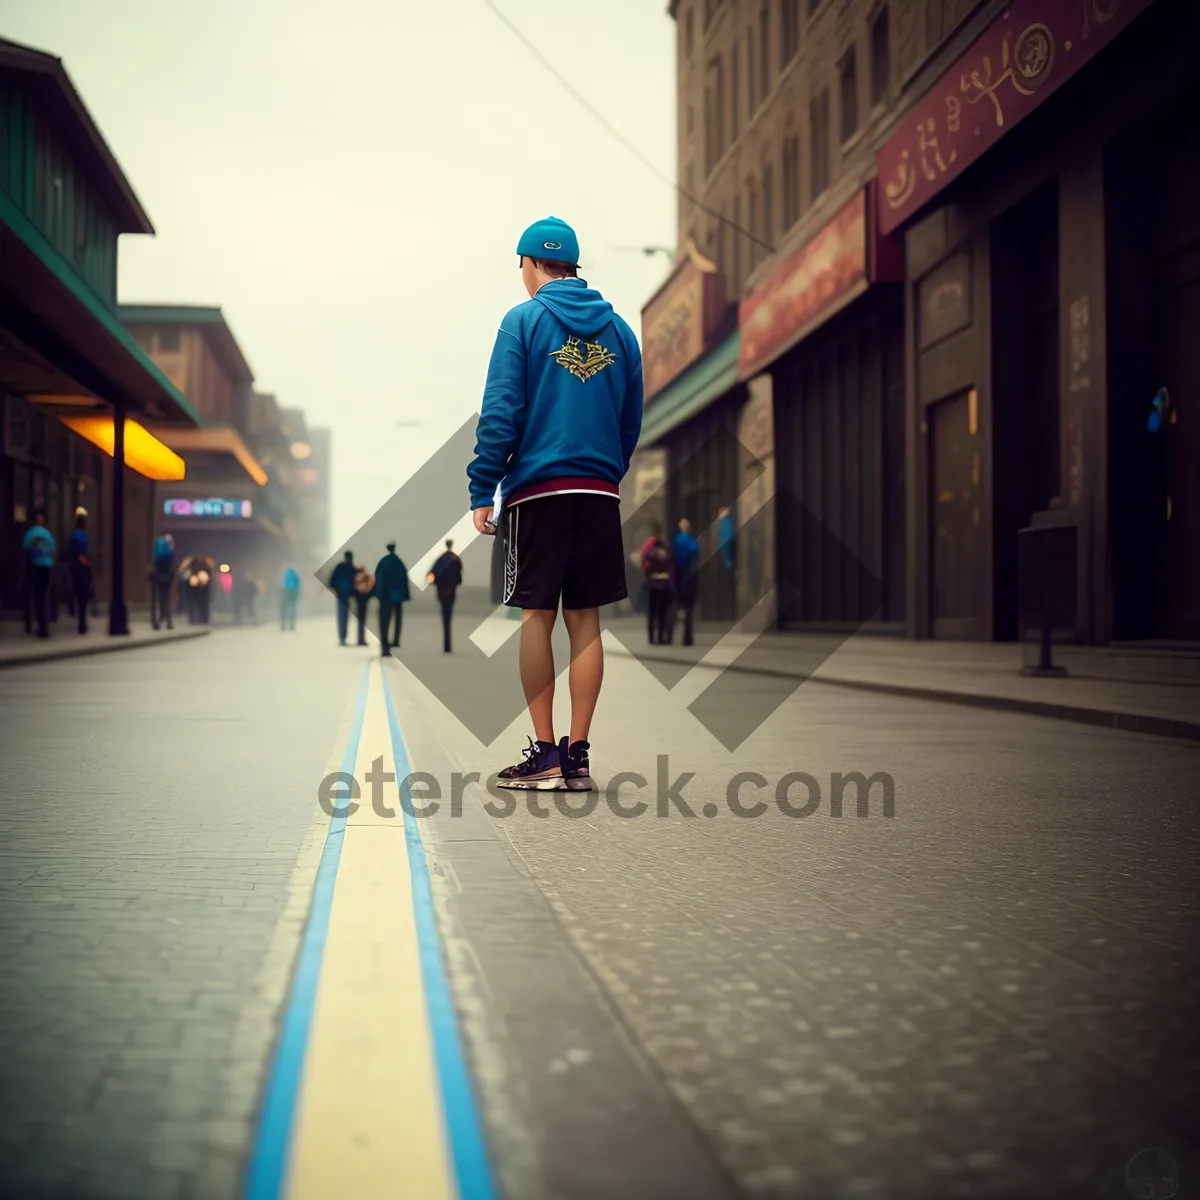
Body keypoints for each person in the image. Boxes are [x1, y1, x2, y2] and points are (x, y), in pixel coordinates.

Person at [467, 216, 643, 791]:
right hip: (596, 492)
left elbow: (501, 414)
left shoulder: (522, 322)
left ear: (529, 263)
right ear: (571, 264)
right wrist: (604, 473)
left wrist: (482, 487)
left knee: (537, 619)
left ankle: (544, 754)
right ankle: (579, 759)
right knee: (586, 622)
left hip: (537, 493)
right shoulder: (619, 331)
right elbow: (630, 420)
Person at [22, 511, 56, 639]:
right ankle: (43, 624)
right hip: (46, 567)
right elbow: (53, 548)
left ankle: (38, 625)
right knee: (43, 596)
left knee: (37, 597)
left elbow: (25, 547)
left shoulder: (30, 533)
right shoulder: (47, 534)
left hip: (34, 566)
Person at [427, 538, 463, 653]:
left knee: (445, 617)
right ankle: (448, 645)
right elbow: (459, 578)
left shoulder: (441, 560)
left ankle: (446, 645)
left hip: (442, 592)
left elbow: (432, 575)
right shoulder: (455, 559)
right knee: (448, 617)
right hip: (451, 592)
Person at [374, 543, 410, 655]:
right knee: (398, 619)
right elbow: (404, 580)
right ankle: (396, 640)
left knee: (385, 620)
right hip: (398, 595)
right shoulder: (399, 563)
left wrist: (378, 594)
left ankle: (384, 641)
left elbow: (379, 578)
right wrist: (406, 594)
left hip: (385, 596)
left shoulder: (383, 562)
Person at [672, 517, 701, 647]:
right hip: (687, 576)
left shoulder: (677, 540)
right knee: (688, 608)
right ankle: (687, 638)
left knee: (678, 606)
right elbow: (696, 548)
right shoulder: (686, 540)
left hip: (679, 576)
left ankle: (669, 635)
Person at [643, 534, 674, 645]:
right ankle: (661, 637)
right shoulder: (667, 555)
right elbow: (671, 569)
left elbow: (646, 569)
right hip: (664, 586)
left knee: (651, 614)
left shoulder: (649, 554)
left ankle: (652, 637)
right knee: (662, 613)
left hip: (653, 586)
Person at [65, 508, 92, 635]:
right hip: (83, 566)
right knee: (83, 596)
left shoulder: (73, 535)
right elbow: (86, 552)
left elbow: (70, 550)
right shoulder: (85, 535)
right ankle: (82, 623)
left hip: (74, 565)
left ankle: (71, 608)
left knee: (74, 590)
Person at [330, 550, 357, 645]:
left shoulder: (339, 567)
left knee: (342, 615)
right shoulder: (352, 568)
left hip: (340, 594)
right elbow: (355, 582)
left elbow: (332, 581)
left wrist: (336, 589)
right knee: (345, 616)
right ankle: (343, 637)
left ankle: (342, 637)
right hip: (346, 594)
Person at [151, 533, 177, 630]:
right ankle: (167, 621)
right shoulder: (170, 553)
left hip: (159, 578)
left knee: (161, 599)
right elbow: (173, 566)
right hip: (167, 578)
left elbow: (155, 565)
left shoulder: (157, 552)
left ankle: (160, 620)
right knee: (166, 599)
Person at [352, 564, 373, 646]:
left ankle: (360, 639)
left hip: (358, 600)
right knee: (363, 621)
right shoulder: (366, 577)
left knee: (360, 621)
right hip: (364, 599)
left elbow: (354, 588)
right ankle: (362, 639)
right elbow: (370, 586)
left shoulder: (355, 577)